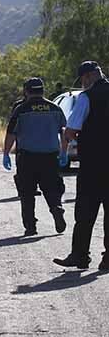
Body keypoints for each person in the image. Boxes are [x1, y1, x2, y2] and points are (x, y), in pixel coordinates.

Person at [54, 62, 109, 270]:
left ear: (88, 77)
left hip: (93, 164)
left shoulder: (87, 97)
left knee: (85, 211)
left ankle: (80, 255)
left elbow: (71, 130)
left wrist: (63, 148)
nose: (83, 84)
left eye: (83, 80)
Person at [3, 77, 68, 237]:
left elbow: (11, 133)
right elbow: (64, 131)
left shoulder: (21, 109)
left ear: (26, 91)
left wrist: (6, 153)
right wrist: (64, 152)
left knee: (27, 193)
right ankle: (56, 208)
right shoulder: (55, 107)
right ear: (42, 90)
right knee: (52, 188)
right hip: (50, 156)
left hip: (27, 157)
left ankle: (30, 227)